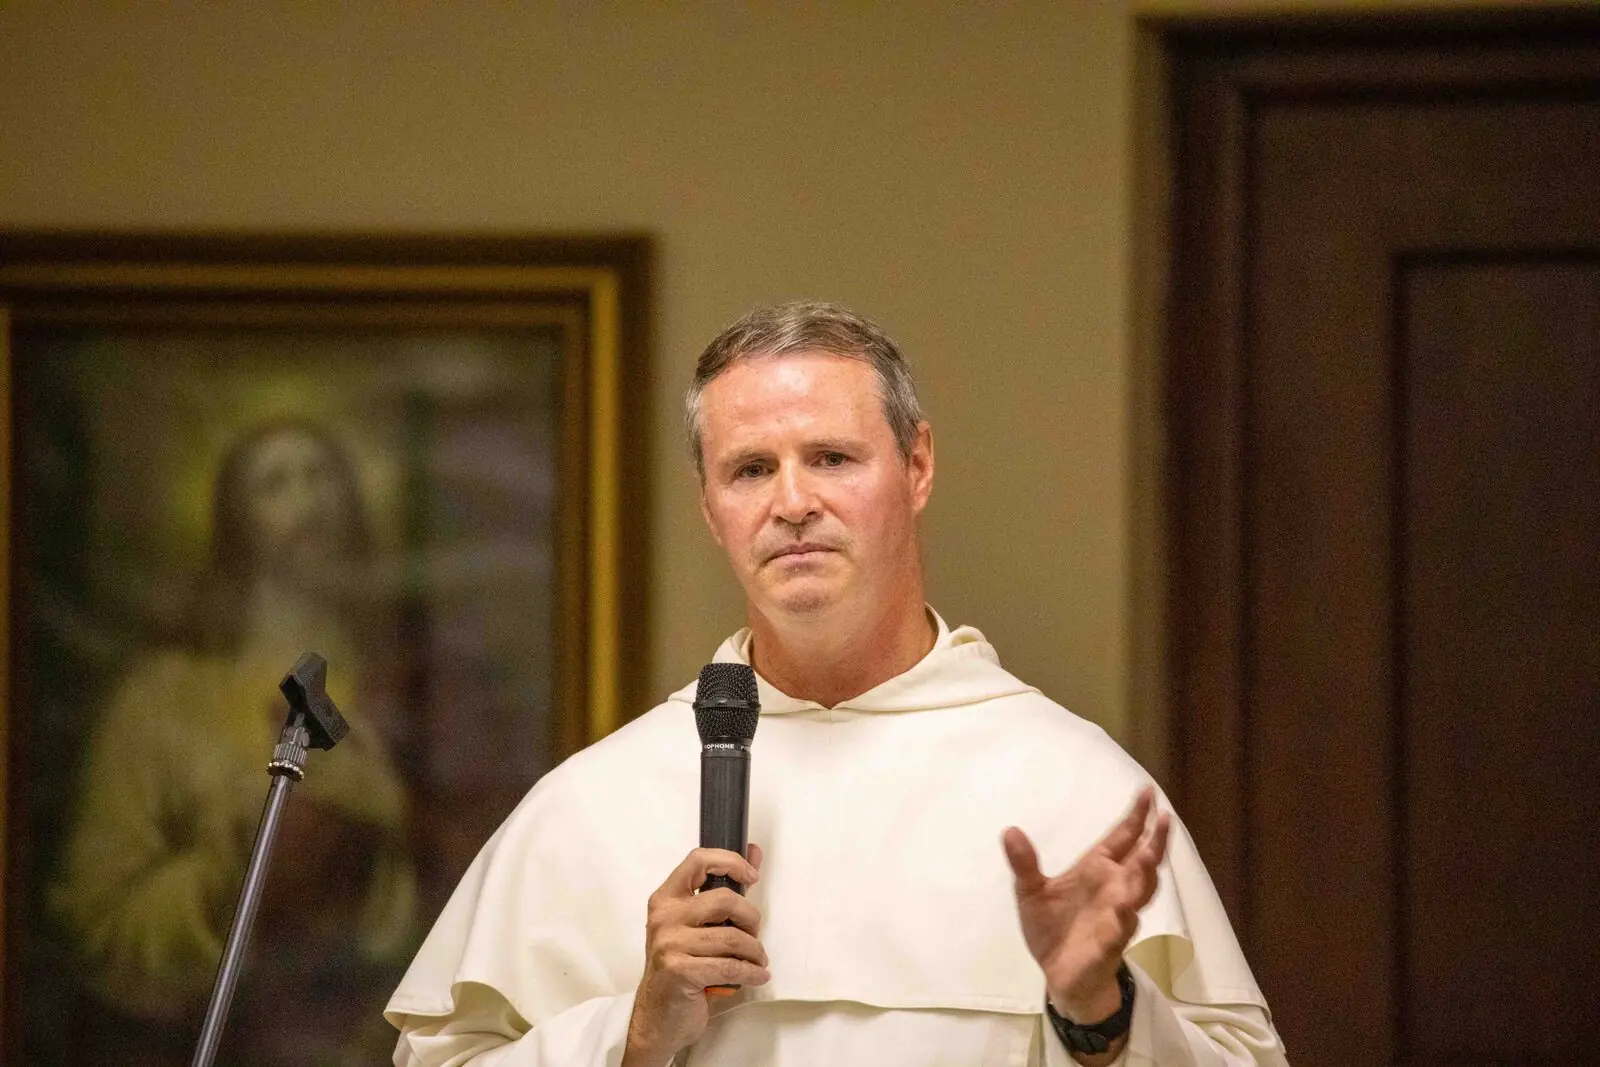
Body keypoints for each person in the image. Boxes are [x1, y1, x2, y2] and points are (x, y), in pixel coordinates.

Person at [385, 303, 1288, 1066]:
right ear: (709, 507)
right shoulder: (593, 802)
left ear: (918, 465)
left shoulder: (1072, 786)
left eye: (832, 458)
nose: (791, 503)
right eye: (749, 469)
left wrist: (1103, 1009)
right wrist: (632, 1029)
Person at [52, 420, 418, 1067]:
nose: (307, 503)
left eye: (318, 477)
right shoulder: (161, 699)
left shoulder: (410, 685)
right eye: (275, 484)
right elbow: (99, 918)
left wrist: (364, 851)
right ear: (234, 519)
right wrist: (234, 870)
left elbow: (451, 880)